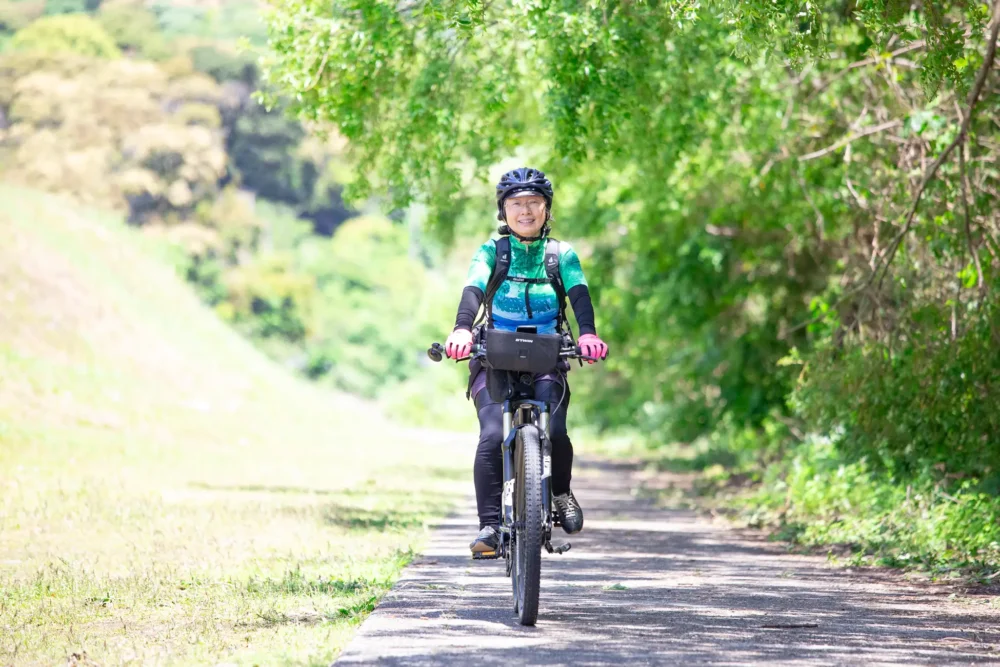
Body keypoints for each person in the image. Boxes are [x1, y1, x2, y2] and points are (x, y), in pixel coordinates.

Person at [444, 167, 609, 556]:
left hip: (547, 355)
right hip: (494, 356)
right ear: (504, 211)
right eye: (516, 203)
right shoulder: (492, 251)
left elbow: (579, 293)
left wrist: (587, 334)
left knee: (556, 429)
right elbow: (473, 287)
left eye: (534, 203)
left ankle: (561, 495)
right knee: (489, 435)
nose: (526, 211)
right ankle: (489, 526)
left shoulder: (561, 254)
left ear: (547, 209)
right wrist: (462, 330)